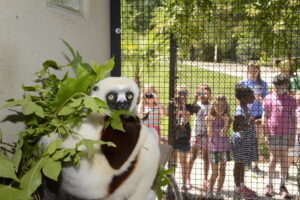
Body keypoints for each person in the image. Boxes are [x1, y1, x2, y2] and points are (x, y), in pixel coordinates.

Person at [262, 74, 297, 199]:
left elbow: (294, 119)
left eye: (280, 87)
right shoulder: (269, 98)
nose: (278, 89)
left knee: (283, 159)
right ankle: (269, 184)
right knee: (273, 159)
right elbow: (265, 117)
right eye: (276, 87)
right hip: (272, 133)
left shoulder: (291, 100)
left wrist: (293, 136)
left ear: (287, 86)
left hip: (286, 133)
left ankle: (282, 185)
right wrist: (265, 133)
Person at [239, 62, 268, 174]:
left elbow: (267, 101)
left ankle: (254, 164)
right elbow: (238, 100)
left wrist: (259, 99)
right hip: (246, 114)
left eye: (255, 71)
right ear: (247, 71)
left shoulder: (263, 84)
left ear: (259, 71)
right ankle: (246, 162)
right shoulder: (243, 83)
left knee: (256, 139)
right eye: (250, 71)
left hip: (259, 115)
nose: (253, 73)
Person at [232, 84, 258, 199]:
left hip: (246, 140)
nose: (253, 97)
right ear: (243, 98)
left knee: (242, 164)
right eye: (250, 96)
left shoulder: (246, 108)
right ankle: (237, 188)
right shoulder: (239, 110)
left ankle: (242, 185)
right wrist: (249, 123)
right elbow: (235, 128)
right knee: (238, 164)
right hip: (240, 141)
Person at [172, 85, 200, 192]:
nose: (182, 96)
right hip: (173, 137)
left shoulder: (188, 107)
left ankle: (184, 183)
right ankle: (171, 182)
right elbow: (173, 120)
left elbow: (186, 120)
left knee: (183, 161)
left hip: (184, 138)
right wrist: (176, 107)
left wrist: (184, 106)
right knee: (173, 162)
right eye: (180, 93)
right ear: (176, 94)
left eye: (184, 94)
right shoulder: (172, 106)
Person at [186, 84, 212, 191]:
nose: (204, 94)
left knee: (206, 157)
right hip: (196, 133)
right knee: (193, 156)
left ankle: (205, 179)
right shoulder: (198, 104)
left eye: (206, 92)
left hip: (206, 134)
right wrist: (195, 98)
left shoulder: (211, 106)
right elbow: (190, 111)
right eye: (202, 92)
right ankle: (187, 178)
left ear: (209, 93)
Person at [205, 95, 231, 200]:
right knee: (214, 172)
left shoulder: (228, 118)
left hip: (224, 148)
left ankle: (219, 191)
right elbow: (210, 134)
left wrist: (226, 123)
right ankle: (210, 190)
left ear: (225, 107)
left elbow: (223, 134)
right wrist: (210, 124)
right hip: (213, 149)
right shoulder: (208, 117)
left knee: (222, 170)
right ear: (213, 105)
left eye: (222, 105)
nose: (219, 108)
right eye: (216, 105)